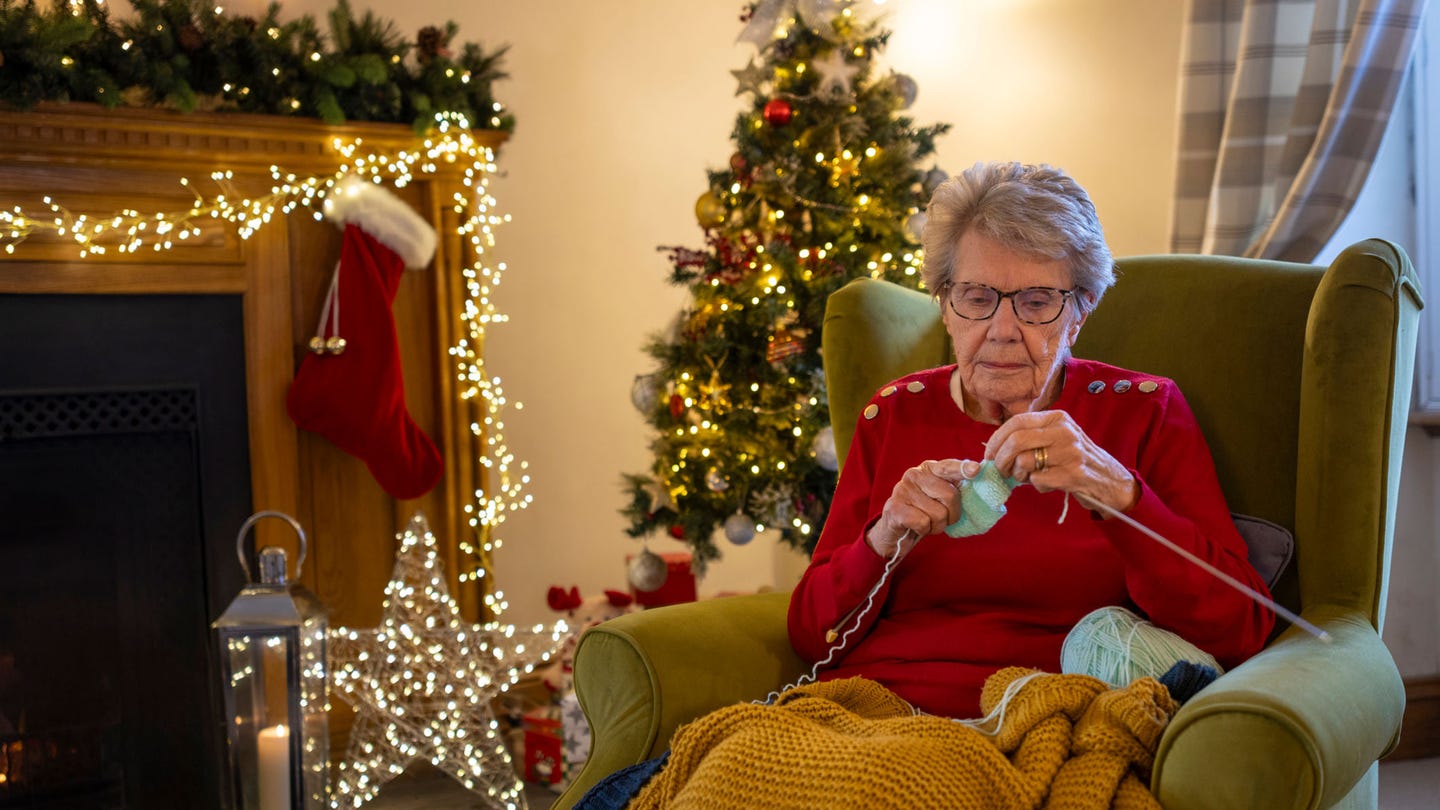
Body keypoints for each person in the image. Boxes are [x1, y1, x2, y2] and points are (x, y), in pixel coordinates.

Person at [787, 161, 1275, 719]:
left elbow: (1242, 628)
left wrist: (1117, 492)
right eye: (975, 297)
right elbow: (810, 633)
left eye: (1037, 302)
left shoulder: (1144, 411)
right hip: (870, 709)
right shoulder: (894, 414)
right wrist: (885, 535)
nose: (1000, 329)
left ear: (1080, 312)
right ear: (945, 307)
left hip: (1045, 713)